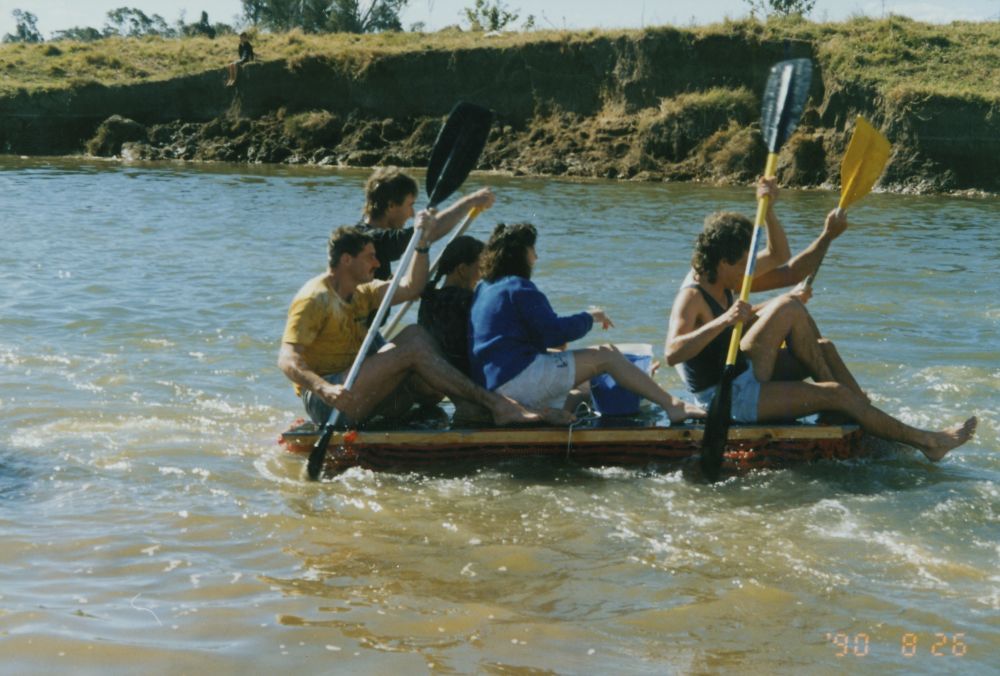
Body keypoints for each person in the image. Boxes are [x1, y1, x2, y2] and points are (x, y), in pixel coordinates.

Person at [664, 190, 977, 461]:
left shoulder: (726, 274)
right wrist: (726, 318)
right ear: (724, 262)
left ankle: (860, 418)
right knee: (832, 384)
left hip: (741, 369)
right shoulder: (691, 297)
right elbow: (672, 352)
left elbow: (779, 257)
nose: (750, 271)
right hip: (727, 397)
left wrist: (770, 208)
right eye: (745, 265)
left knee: (820, 343)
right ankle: (927, 442)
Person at [278, 221, 557, 430]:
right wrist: (324, 389)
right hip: (330, 403)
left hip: (359, 390)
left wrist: (422, 243)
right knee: (413, 345)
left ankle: (477, 407)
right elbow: (288, 359)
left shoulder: (363, 291)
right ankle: (496, 406)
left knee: (428, 379)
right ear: (346, 260)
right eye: (370, 257)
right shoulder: (315, 298)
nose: (377, 263)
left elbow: (413, 287)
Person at [469, 222, 704, 424]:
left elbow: (520, 339)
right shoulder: (518, 287)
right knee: (607, 354)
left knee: (584, 384)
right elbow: (556, 333)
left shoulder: (485, 288)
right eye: (532, 250)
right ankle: (674, 405)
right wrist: (590, 317)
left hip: (494, 385)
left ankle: (552, 414)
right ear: (521, 253)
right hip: (517, 381)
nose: (536, 257)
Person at [358, 166, 495, 281]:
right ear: (391, 206)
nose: (412, 214)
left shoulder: (363, 232)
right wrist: (471, 201)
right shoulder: (371, 241)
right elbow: (426, 234)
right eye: (410, 205)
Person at [417, 235, 485, 376]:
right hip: (460, 375)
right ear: (462, 269)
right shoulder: (467, 301)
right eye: (481, 268)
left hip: (432, 372)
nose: (483, 275)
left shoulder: (429, 297)